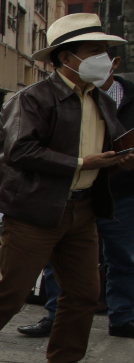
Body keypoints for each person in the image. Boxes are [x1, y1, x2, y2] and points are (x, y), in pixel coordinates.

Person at [0, 13, 134, 363]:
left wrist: (117, 161)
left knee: (84, 293)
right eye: (94, 50)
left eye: (106, 50)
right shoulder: (33, 98)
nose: (104, 58)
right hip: (34, 211)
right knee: (13, 291)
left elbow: (103, 151)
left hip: (82, 209)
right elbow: (19, 151)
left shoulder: (101, 100)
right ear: (66, 57)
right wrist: (84, 163)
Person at [18, 53, 134, 340]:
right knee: (58, 258)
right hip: (71, 190)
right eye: (82, 55)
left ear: (114, 62)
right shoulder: (54, 96)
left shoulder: (126, 98)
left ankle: (124, 317)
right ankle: (56, 317)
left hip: (121, 191)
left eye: (96, 54)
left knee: (124, 257)